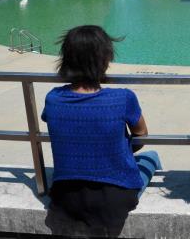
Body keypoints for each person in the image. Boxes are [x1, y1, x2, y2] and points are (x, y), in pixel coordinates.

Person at [42, 25, 161, 234]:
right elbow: (141, 135)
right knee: (152, 156)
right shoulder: (122, 98)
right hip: (114, 200)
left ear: (67, 59)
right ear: (104, 59)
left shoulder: (53, 99)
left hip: (66, 198)